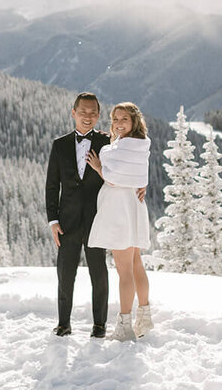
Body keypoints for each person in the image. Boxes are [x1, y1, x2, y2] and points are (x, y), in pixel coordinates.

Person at [85, 101, 153, 341]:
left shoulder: (119, 148)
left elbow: (114, 179)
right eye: (115, 119)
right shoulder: (140, 146)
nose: (119, 123)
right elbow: (136, 175)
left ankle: (124, 325)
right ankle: (144, 316)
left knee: (125, 269)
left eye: (124, 119)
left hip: (119, 209)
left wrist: (98, 168)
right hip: (133, 206)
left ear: (134, 121)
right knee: (135, 264)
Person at [45, 92, 109, 337]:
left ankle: (100, 325)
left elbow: (117, 175)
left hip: (97, 220)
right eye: (83, 112)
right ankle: (64, 323)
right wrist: (53, 220)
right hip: (67, 222)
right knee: (65, 274)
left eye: (93, 112)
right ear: (73, 113)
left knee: (99, 274)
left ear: (98, 115)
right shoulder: (59, 145)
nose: (88, 116)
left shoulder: (107, 142)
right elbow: (52, 186)